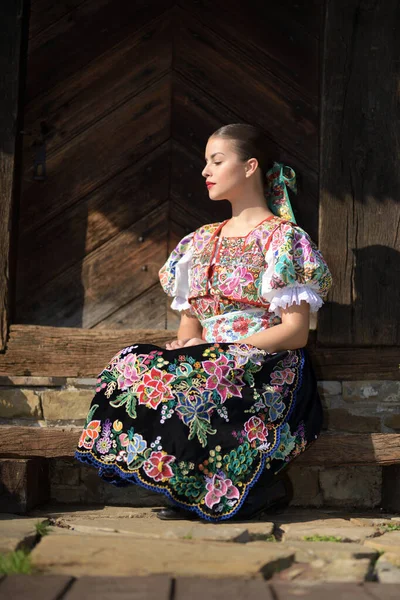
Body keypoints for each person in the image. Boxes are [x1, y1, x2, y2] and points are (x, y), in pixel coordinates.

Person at [75, 123, 332, 523]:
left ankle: (248, 488)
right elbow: (190, 324)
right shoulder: (199, 242)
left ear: (250, 167)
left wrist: (226, 352)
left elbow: (295, 331)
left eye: (216, 160)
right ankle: (188, 484)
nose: (205, 171)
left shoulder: (283, 239)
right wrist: (187, 346)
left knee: (202, 376)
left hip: (265, 364)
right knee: (132, 362)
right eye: (205, 162)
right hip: (211, 359)